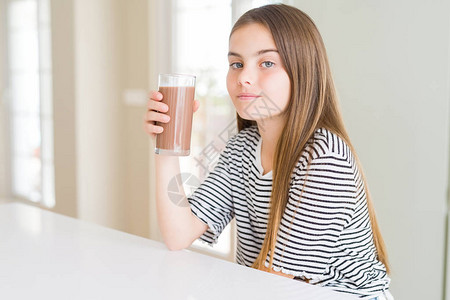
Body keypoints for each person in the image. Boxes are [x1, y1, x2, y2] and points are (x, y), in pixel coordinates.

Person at [144, 4, 393, 300]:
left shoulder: (325, 156)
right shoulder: (242, 148)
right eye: (236, 64)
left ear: (302, 70)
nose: (243, 78)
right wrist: (165, 146)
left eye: (266, 63)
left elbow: (278, 282)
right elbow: (178, 234)